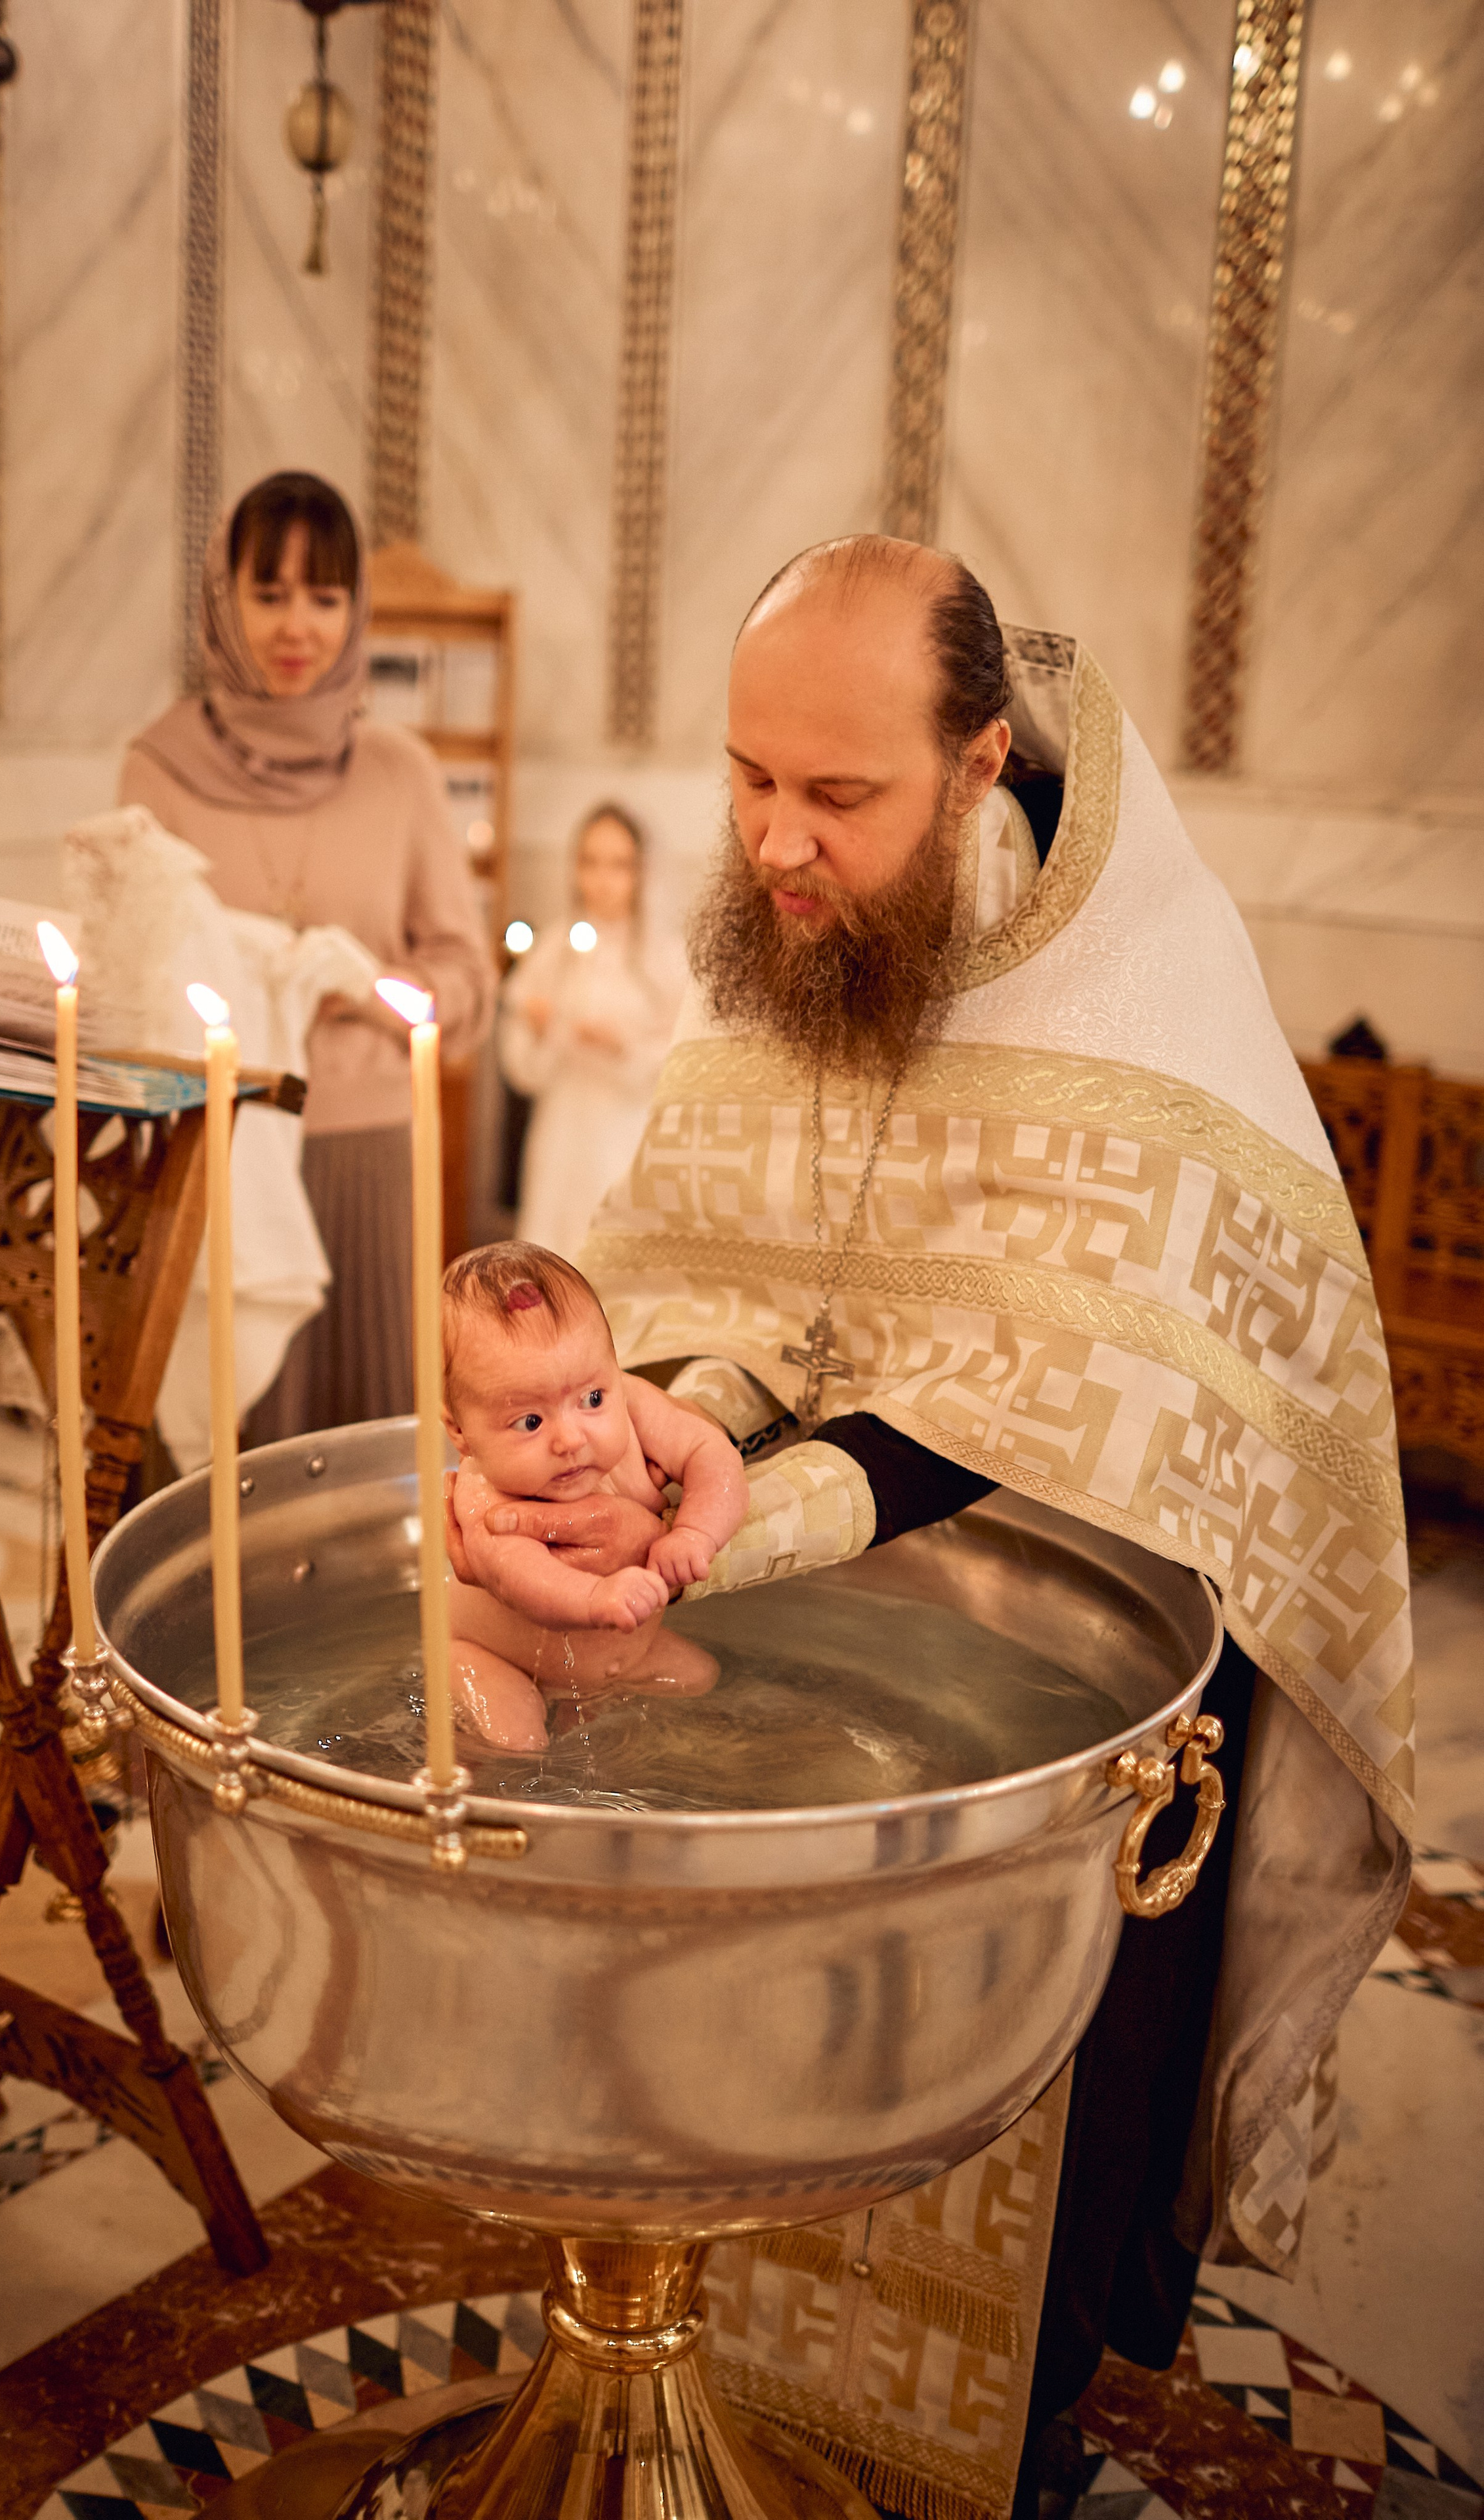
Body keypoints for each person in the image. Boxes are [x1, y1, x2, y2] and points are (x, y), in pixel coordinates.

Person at [447, 537, 1413, 2520]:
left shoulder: (1136, 990)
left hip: (1074, 1649)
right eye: (744, 776)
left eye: (835, 792)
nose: (773, 841)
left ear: (978, 762)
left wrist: (739, 1514)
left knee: (1001, 2193)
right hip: (801, 1648)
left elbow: (1081, 1373)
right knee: (751, 2102)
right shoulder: (787, 933)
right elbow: (721, 1273)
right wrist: (644, 1425)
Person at [119, 470, 494, 1436]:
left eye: (325, 598)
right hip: (213, 1152)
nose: (297, 627)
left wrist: (364, 988)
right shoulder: (158, 769)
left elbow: (467, 980)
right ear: (224, 600)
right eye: (270, 593)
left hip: (368, 1157)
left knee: (363, 1442)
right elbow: (130, 976)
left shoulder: (401, 772)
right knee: (225, 1451)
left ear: (356, 610)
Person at [442, 1241, 746, 1750]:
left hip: (624, 1650)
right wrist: (596, 1599)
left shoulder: (633, 1404)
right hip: (495, 1658)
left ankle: (587, 1702)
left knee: (699, 1678)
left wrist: (696, 1532)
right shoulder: (484, 1496)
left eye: (592, 1398)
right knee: (518, 1742)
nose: (571, 1439)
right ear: (460, 1432)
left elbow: (714, 1456)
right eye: (530, 1422)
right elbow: (520, 1578)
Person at [498, 803, 680, 1259]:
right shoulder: (553, 950)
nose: (602, 880)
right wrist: (540, 1031)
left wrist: (624, 1047)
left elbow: (684, 1064)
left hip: (628, 1134)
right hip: (563, 1131)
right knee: (555, 1257)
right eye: (590, 862)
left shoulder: (667, 959)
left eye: (619, 865)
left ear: (642, 871)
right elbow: (520, 1066)